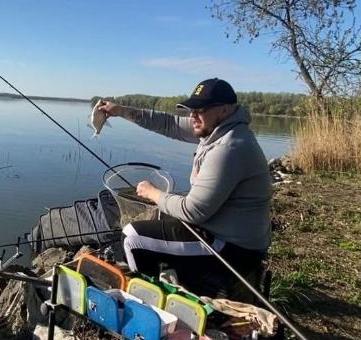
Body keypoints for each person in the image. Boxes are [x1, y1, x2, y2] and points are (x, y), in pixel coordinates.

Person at [96, 78, 271, 295]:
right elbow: (168, 124)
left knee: (132, 237)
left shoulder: (229, 147)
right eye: (191, 110)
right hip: (222, 230)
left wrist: (154, 193)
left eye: (200, 109)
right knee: (158, 219)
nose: (193, 116)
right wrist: (120, 110)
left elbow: (192, 211)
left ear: (225, 109)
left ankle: (149, 300)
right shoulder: (218, 129)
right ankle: (172, 279)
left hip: (233, 249)